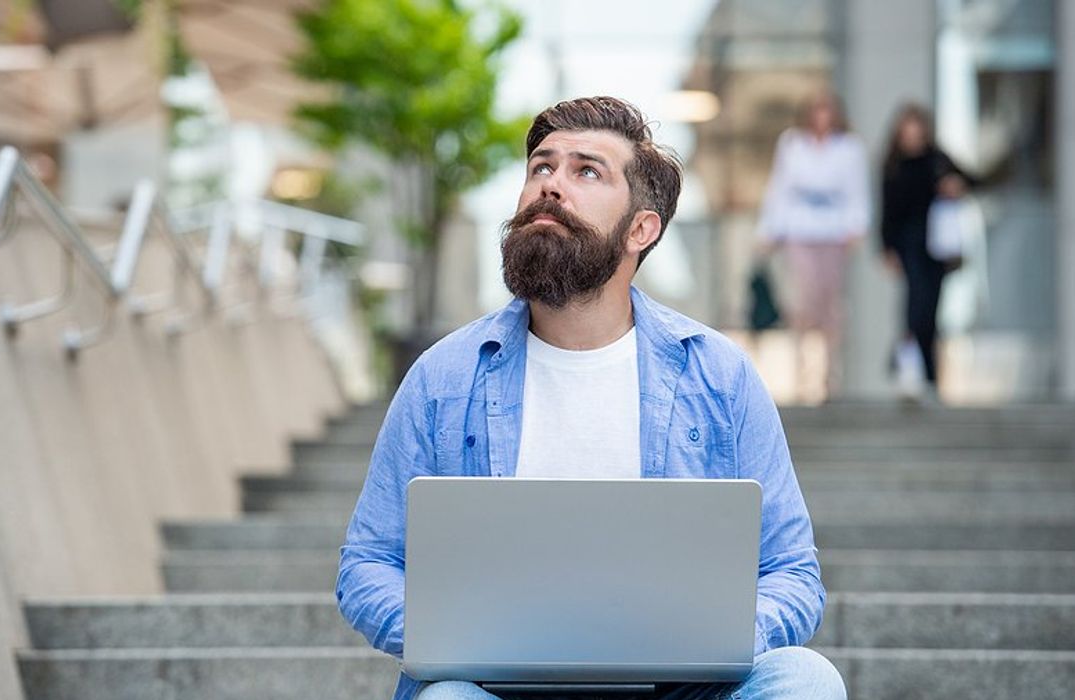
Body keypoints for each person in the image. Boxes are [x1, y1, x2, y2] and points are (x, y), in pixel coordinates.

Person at [337, 96, 843, 700]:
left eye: (586, 171)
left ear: (641, 229)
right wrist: (454, 638)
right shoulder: (443, 377)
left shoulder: (719, 376)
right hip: (497, 688)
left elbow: (792, 572)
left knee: (805, 681)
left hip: (677, 688)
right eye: (541, 168)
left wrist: (717, 638)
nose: (550, 185)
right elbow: (366, 564)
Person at [756, 91, 870, 400]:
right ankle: (800, 373)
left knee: (830, 305)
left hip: (833, 232)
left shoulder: (849, 147)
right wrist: (770, 230)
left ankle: (830, 376)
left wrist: (856, 226)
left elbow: (857, 189)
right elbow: (779, 187)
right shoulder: (792, 144)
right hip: (800, 230)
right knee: (802, 302)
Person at [879, 103, 971, 401]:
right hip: (909, 244)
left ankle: (927, 374)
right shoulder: (893, 166)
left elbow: (970, 179)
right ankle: (910, 366)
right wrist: (887, 247)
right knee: (915, 306)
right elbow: (888, 211)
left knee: (930, 311)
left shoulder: (937, 160)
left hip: (937, 247)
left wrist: (954, 186)